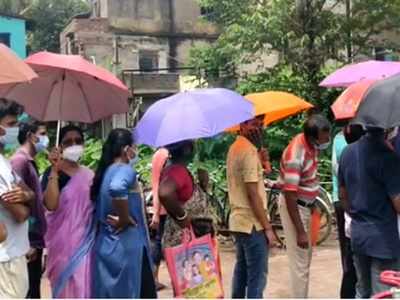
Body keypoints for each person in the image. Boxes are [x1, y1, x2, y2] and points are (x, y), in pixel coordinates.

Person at [91, 128, 156, 298]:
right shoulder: (125, 169)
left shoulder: (106, 172)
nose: (136, 152)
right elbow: (117, 187)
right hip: (128, 247)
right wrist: (125, 218)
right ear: (126, 150)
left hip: (107, 246)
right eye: (134, 147)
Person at [339, 127, 400, 297]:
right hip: (384, 240)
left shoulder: (347, 152)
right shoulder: (388, 157)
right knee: (384, 293)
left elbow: (342, 196)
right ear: (388, 128)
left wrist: (358, 213)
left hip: (358, 235)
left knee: (362, 290)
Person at [278, 114, 331, 298]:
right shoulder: (296, 154)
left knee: (305, 260)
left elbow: (307, 182)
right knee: (300, 265)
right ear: (312, 138)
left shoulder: (311, 147)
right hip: (295, 207)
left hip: (306, 206)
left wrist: (313, 203)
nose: (327, 142)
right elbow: (290, 195)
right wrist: (300, 230)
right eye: (324, 139)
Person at [42, 125, 94, 298]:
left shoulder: (89, 175)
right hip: (61, 247)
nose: (74, 145)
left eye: (78, 141)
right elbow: (51, 204)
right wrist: (54, 171)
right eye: (68, 142)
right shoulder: (53, 174)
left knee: (85, 288)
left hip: (87, 245)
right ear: (60, 146)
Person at [226, 115, 275, 299]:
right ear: (243, 124)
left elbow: (256, 180)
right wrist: (268, 229)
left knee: (242, 270)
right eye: (254, 124)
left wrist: (263, 161)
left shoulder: (235, 148)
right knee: (257, 275)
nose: (258, 128)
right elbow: (253, 194)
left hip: (239, 221)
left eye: (261, 124)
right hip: (252, 223)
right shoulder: (247, 151)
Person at [0, 98, 35, 298]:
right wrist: (28, 202)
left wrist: (26, 196)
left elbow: (28, 192)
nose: (15, 129)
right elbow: (20, 213)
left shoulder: (5, 162)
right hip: (6, 258)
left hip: (15, 252)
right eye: (11, 124)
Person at [10, 120, 49, 299]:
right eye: (42, 133)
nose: (45, 138)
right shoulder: (20, 161)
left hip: (34, 238)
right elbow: (15, 201)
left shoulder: (30, 161)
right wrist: (29, 241)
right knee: (28, 291)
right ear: (30, 136)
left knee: (34, 287)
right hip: (28, 240)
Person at [159, 140, 213, 249]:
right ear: (186, 149)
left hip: (185, 238)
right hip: (184, 240)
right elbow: (164, 193)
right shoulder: (177, 171)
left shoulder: (173, 169)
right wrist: (182, 217)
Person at [332, 123, 364, 299]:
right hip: (353, 210)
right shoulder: (353, 153)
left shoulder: (340, 143)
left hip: (347, 210)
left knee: (350, 262)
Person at [149, 147, 169, 291]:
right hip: (168, 205)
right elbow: (163, 183)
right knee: (162, 242)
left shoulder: (158, 154)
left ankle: (154, 277)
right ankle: (154, 278)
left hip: (160, 204)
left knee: (159, 241)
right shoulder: (166, 155)